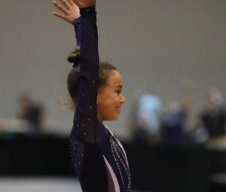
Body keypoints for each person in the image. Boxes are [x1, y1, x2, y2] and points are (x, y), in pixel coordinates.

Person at [52, 0, 131, 191]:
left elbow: (85, 62)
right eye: (117, 91)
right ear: (94, 93)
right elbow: (88, 66)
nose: (123, 98)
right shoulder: (87, 133)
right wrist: (87, 14)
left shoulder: (98, 131)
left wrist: (81, 24)